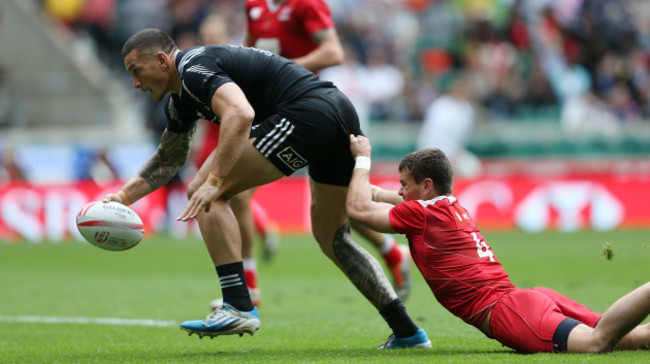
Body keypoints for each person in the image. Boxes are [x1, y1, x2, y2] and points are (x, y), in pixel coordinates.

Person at [105, 28, 430, 348]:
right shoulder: (180, 102)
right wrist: (121, 199)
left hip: (305, 112)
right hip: (334, 109)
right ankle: (408, 332)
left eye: (137, 71)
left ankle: (238, 304)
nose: (135, 83)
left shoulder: (192, 68)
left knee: (204, 192)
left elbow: (240, 112)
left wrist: (215, 182)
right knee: (333, 239)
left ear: (162, 60)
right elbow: (168, 159)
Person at [346, 134, 650, 353]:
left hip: (510, 312)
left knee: (597, 343)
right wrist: (367, 187)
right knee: (637, 337)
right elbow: (381, 198)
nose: (399, 192)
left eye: (403, 185)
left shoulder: (422, 214)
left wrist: (362, 159)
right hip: (526, 301)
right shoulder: (447, 207)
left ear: (427, 186)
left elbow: (357, 209)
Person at [241, 0, 412, 302]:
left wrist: (281, 71)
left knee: (342, 204)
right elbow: (247, 55)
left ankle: (246, 288)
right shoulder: (254, 6)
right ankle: (247, 287)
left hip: (307, 110)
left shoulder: (306, 4)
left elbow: (333, 52)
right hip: (270, 110)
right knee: (239, 194)